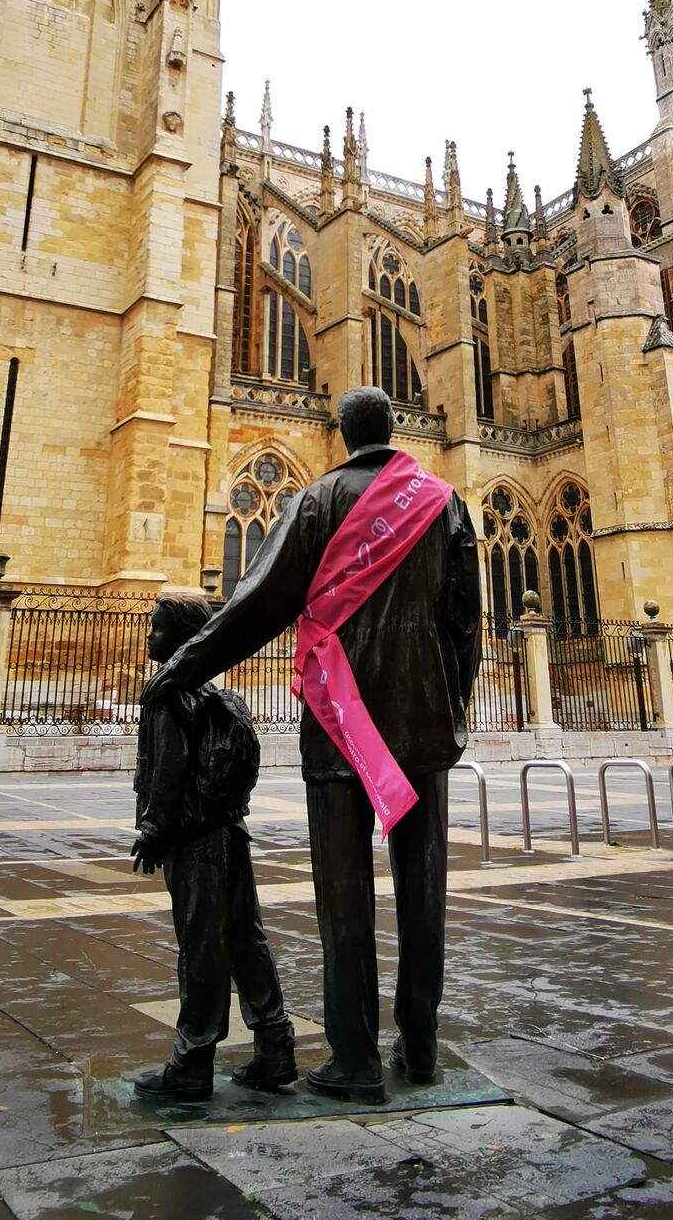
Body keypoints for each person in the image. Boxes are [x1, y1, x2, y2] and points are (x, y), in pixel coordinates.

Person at [144, 388, 483, 1104]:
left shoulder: (319, 499)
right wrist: (450, 705)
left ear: (341, 432)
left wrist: (181, 666)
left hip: (340, 722)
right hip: (421, 725)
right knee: (425, 892)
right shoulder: (444, 501)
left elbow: (257, 604)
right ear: (391, 430)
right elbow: (465, 624)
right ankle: (418, 1046)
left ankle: (355, 1057)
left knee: (342, 894)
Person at [130, 587, 296, 1101]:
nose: (148, 636)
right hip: (230, 829)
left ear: (181, 635)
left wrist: (154, 830)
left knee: (200, 947)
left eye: (157, 627)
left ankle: (193, 1058)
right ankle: (274, 1046)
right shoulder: (212, 691)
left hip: (194, 836)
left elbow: (167, 768)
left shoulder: (168, 690)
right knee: (247, 939)